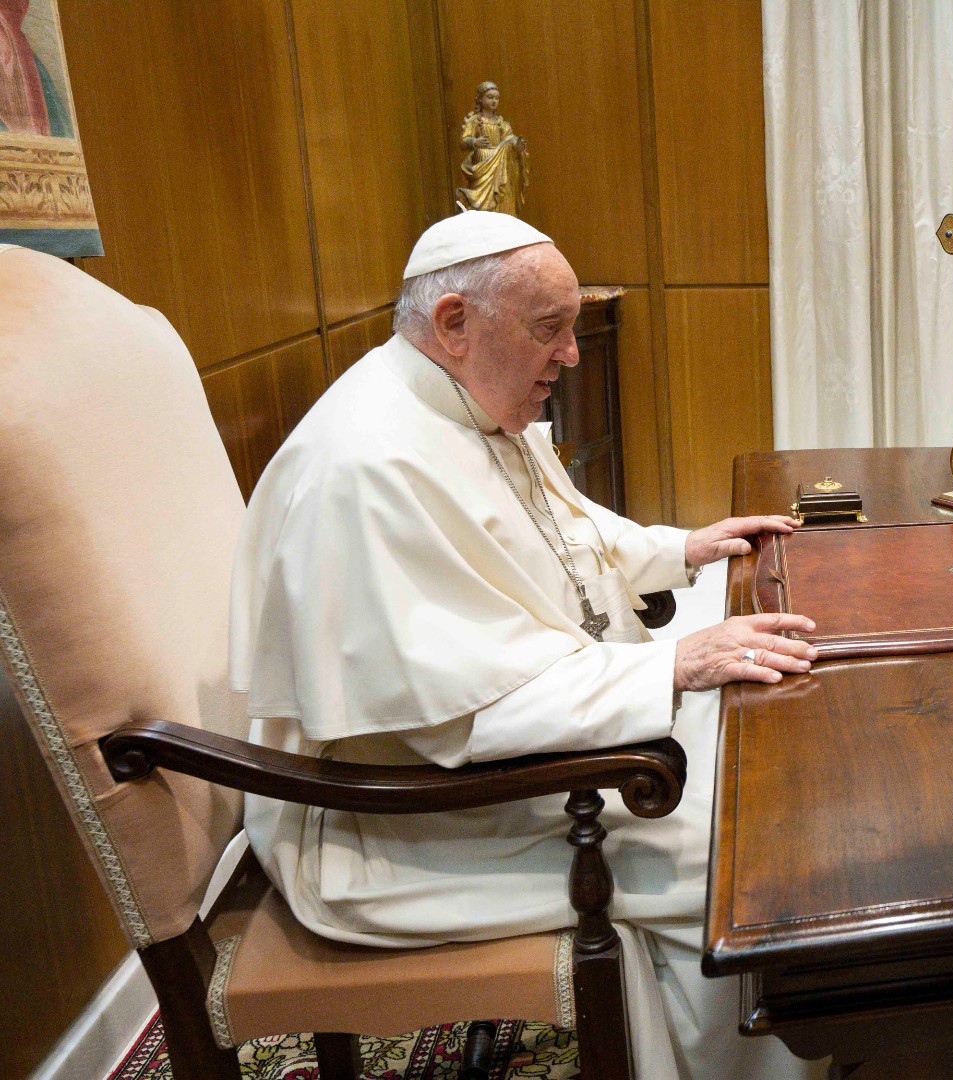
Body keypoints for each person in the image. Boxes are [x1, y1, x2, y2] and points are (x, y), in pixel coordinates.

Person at [231, 211, 822, 1080]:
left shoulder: (457, 401)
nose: (572, 355)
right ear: (455, 324)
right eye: (552, 329)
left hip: (485, 767)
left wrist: (680, 548)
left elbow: (558, 537)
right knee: (747, 861)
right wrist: (672, 664)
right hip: (392, 821)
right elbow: (461, 715)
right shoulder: (368, 470)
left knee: (770, 767)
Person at [456, 81, 529, 215]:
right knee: (481, 203)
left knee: (501, 193)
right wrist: (474, 142)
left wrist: (517, 146)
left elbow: (510, 141)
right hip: (483, 162)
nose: (494, 101)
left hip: (501, 164)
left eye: (496, 98)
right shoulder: (474, 120)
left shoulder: (502, 123)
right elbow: (463, 142)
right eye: (490, 97)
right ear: (480, 99)